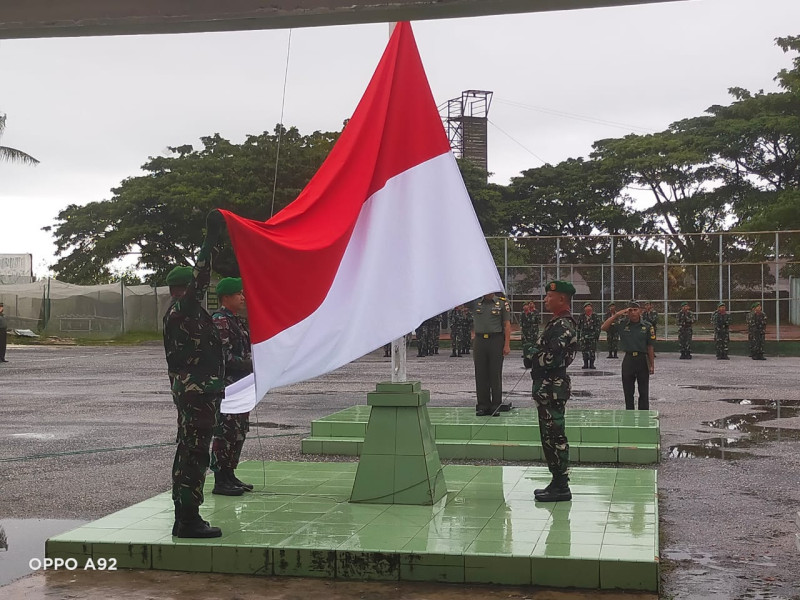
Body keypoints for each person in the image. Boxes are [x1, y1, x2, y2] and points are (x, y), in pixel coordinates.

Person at [163, 211, 225, 539]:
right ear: (185, 288)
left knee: (191, 451)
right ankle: (187, 518)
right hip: (195, 394)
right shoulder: (182, 310)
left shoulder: (185, 313)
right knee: (194, 454)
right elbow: (201, 278)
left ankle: (185, 515)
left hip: (198, 393)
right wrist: (210, 241)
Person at [523, 280, 578, 502]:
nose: (546, 300)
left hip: (552, 388)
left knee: (555, 436)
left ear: (562, 299)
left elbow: (553, 357)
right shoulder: (555, 323)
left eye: (549, 296)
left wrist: (531, 355)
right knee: (548, 436)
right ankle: (556, 482)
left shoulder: (563, 325)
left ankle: (561, 485)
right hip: (547, 388)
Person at [210, 277, 254, 496]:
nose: (243, 297)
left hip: (241, 385)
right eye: (239, 294)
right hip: (228, 387)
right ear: (226, 297)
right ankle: (220, 479)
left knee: (238, 430)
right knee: (225, 432)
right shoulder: (220, 321)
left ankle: (229, 473)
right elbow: (224, 357)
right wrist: (252, 363)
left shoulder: (236, 320)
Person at [602, 300, 655, 410]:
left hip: (642, 360)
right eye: (630, 310)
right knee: (628, 392)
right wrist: (617, 314)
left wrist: (651, 364)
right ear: (627, 312)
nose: (633, 313)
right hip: (629, 360)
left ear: (640, 311)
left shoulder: (647, 326)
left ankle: (643, 417)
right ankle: (629, 417)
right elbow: (604, 327)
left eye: (635, 310)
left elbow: (650, 346)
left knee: (644, 392)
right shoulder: (622, 324)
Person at [467, 291, 511, 416]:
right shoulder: (476, 302)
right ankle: (482, 405)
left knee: (495, 373)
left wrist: (507, 344)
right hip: (480, 340)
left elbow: (507, 325)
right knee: (480, 373)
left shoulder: (502, 303)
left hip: (496, 340)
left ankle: (495, 405)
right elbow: (461, 302)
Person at [576, 301, 602, 369]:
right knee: (584, 350)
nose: (588, 308)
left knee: (592, 350)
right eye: (587, 307)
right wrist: (578, 337)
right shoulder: (581, 316)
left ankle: (592, 364)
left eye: (589, 307)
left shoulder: (595, 316)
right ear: (584, 309)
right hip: (584, 336)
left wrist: (597, 335)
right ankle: (585, 364)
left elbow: (598, 326)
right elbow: (578, 327)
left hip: (592, 336)